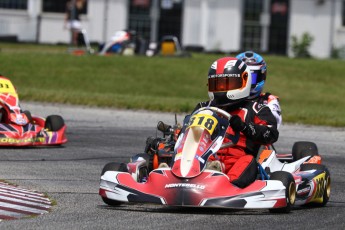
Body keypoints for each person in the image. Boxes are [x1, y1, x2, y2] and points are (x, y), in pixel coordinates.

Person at [194, 57, 279, 188]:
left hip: (237, 160)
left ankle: (226, 186)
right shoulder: (204, 107)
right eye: (217, 84)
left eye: (228, 83)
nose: (221, 89)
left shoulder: (256, 108)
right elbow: (189, 132)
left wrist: (245, 127)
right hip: (206, 156)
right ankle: (202, 174)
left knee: (248, 161)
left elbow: (271, 134)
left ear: (243, 82)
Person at [236, 51, 282, 129]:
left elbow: (273, 127)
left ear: (261, 77)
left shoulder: (269, 101)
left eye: (251, 78)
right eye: (242, 78)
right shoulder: (227, 98)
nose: (247, 83)